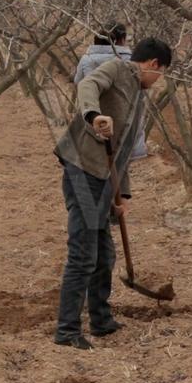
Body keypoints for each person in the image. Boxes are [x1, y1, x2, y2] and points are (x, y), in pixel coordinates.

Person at [53, 37, 172, 350]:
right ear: (154, 65)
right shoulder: (117, 68)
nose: (159, 81)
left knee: (104, 254)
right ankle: (66, 331)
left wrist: (124, 196)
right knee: (84, 254)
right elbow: (87, 85)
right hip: (82, 169)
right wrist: (95, 116)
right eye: (162, 74)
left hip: (105, 179)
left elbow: (122, 154)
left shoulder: (138, 99)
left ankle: (101, 320)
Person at [75, 22, 148, 160]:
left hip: (96, 122)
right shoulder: (132, 62)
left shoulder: (87, 60)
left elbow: (78, 82)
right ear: (121, 39)